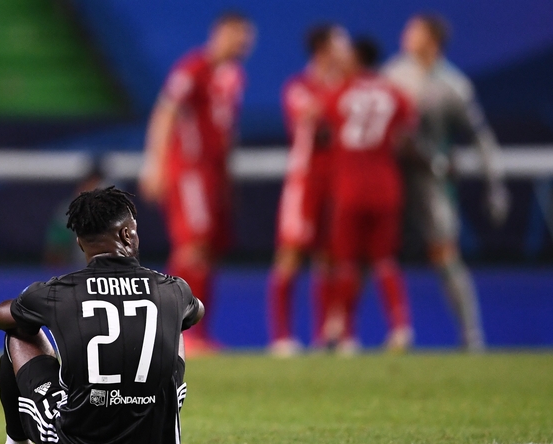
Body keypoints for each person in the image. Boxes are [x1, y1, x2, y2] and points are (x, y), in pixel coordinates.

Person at [0, 186, 204, 444]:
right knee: (175, 321)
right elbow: (197, 310)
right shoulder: (172, 288)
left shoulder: (58, 292)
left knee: (19, 330)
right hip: (153, 439)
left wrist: (31, 304)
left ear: (80, 243)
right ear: (127, 233)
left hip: (76, 442)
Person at [382, 14, 510, 352]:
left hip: (431, 180)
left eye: (414, 31)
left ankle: (471, 337)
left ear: (431, 40)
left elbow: (480, 136)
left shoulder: (454, 84)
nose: (406, 35)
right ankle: (357, 335)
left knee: (444, 252)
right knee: (375, 252)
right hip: (390, 177)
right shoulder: (393, 75)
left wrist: (494, 185)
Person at [138, 12, 255, 355]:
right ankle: (178, 331)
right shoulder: (192, 68)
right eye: (238, 35)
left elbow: (226, 131)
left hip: (214, 175)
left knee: (209, 251)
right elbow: (165, 113)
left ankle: (197, 331)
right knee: (193, 246)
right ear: (219, 33)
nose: (244, 43)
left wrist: (228, 179)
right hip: (188, 170)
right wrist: (154, 165)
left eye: (247, 37)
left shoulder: (234, 76)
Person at [323, 37, 416, 354]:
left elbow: (324, 124)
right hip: (386, 186)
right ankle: (401, 328)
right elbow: (406, 134)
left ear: (357, 58)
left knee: (347, 263)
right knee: (385, 260)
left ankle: (348, 335)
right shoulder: (395, 93)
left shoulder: (340, 92)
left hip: (350, 187)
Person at [267, 24, 349, 357]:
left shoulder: (345, 86)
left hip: (338, 184)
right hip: (304, 184)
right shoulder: (299, 87)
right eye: (341, 44)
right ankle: (282, 337)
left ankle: (325, 336)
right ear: (325, 49)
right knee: (290, 255)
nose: (346, 51)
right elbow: (315, 114)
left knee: (329, 258)